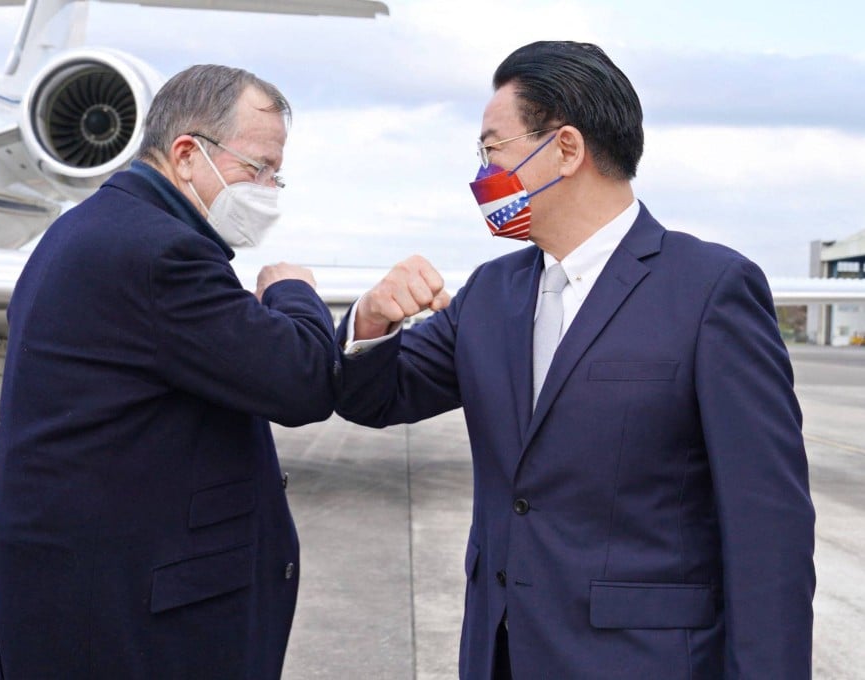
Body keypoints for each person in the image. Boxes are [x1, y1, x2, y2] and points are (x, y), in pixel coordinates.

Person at [335, 41, 815, 679]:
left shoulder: (709, 291)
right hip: (502, 656)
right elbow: (375, 395)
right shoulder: (490, 293)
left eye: (491, 149)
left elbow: (769, 532)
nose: (482, 174)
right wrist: (370, 323)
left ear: (565, 149)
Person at [0, 64, 337, 679]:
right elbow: (301, 380)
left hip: (59, 590)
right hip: (113, 617)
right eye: (259, 168)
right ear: (188, 154)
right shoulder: (165, 253)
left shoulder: (84, 228)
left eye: (277, 174)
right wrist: (292, 292)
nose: (269, 189)